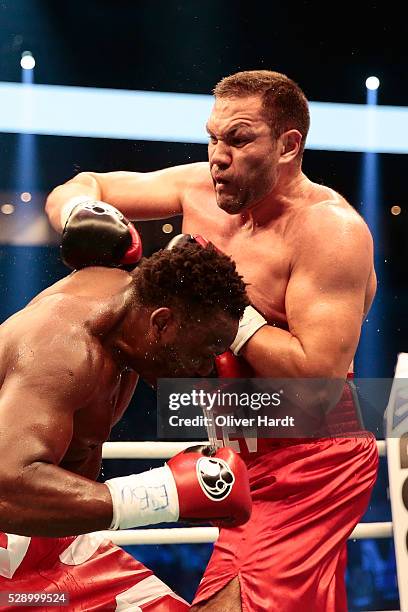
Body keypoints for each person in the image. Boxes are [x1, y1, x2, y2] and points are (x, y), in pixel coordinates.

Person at [45, 70, 379, 612]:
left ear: (289, 145)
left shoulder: (329, 231)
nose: (218, 155)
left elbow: (316, 383)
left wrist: (224, 313)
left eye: (239, 139)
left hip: (311, 459)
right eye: (213, 137)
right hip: (236, 454)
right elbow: (88, 184)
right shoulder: (197, 186)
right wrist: (84, 215)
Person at [0, 240, 252, 611]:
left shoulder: (130, 305)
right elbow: (7, 487)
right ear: (162, 322)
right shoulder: (63, 353)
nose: (204, 369)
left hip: (53, 542)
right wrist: (162, 494)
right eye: (203, 351)